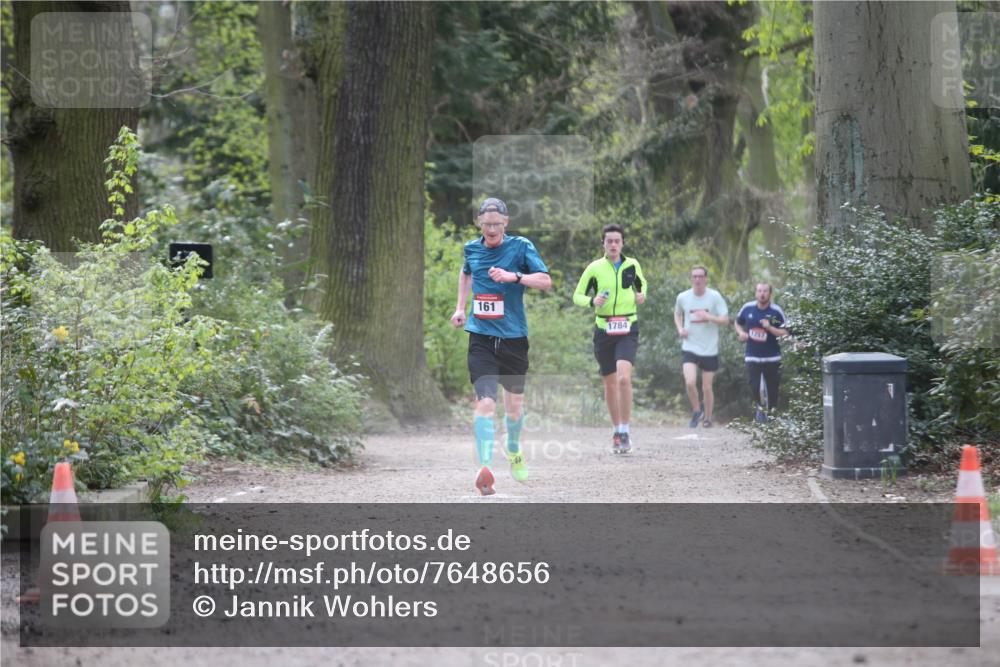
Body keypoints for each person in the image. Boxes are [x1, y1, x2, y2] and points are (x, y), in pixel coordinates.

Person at [450, 197, 552, 495]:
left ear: (506, 223)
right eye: (486, 224)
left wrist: (514, 277)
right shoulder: (472, 248)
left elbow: (545, 281)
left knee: (514, 409)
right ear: (479, 224)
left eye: (497, 223)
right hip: (480, 337)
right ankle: (484, 468)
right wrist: (460, 307)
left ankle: (513, 447)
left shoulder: (521, 247)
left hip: (514, 339)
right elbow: (466, 271)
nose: (492, 229)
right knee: (485, 402)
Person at [573, 224, 647, 454]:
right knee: (610, 382)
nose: (613, 245)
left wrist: (642, 295)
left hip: (627, 327)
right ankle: (616, 430)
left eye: (617, 241)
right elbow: (577, 295)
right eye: (609, 241)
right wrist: (591, 302)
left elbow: (642, 286)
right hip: (604, 330)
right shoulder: (594, 268)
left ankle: (625, 430)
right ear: (603, 244)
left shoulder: (632, 264)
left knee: (624, 378)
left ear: (622, 243)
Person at [674, 265, 729, 428]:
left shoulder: (714, 297)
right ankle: (697, 410)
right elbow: (677, 313)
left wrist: (708, 316)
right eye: (694, 277)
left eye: (700, 277)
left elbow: (725, 320)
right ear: (691, 279)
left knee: (706, 387)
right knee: (690, 382)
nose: (697, 279)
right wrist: (680, 328)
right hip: (690, 346)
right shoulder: (683, 297)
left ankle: (708, 418)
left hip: (709, 348)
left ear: (706, 279)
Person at [734, 283, 788, 422]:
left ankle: (771, 418)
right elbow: (737, 322)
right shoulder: (747, 308)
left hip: (772, 358)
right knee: (754, 386)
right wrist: (741, 333)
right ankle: (760, 407)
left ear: (770, 294)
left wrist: (769, 327)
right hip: (752, 356)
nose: (762, 294)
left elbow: (784, 332)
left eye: (765, 291)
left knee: (772, 390)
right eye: (759, 291)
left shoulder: (776, 312)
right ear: (755, 293)